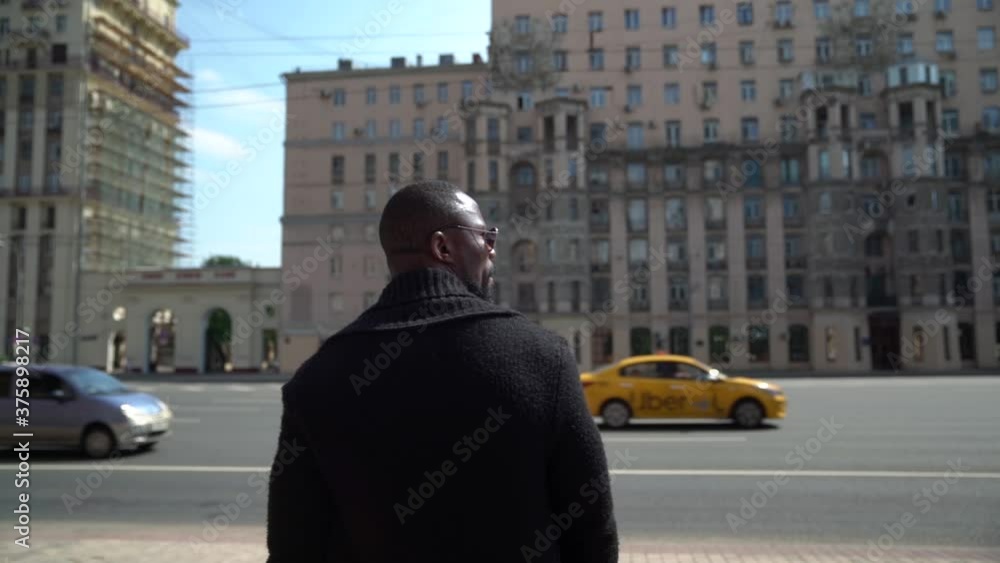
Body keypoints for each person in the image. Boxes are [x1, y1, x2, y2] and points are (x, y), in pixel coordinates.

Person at [266, 180, 618, 563]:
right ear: (443, 247)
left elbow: (292, 546)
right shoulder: (543, 358)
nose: (492, 248)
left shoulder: (316, 379)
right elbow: (591, 531)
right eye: (485, 235)